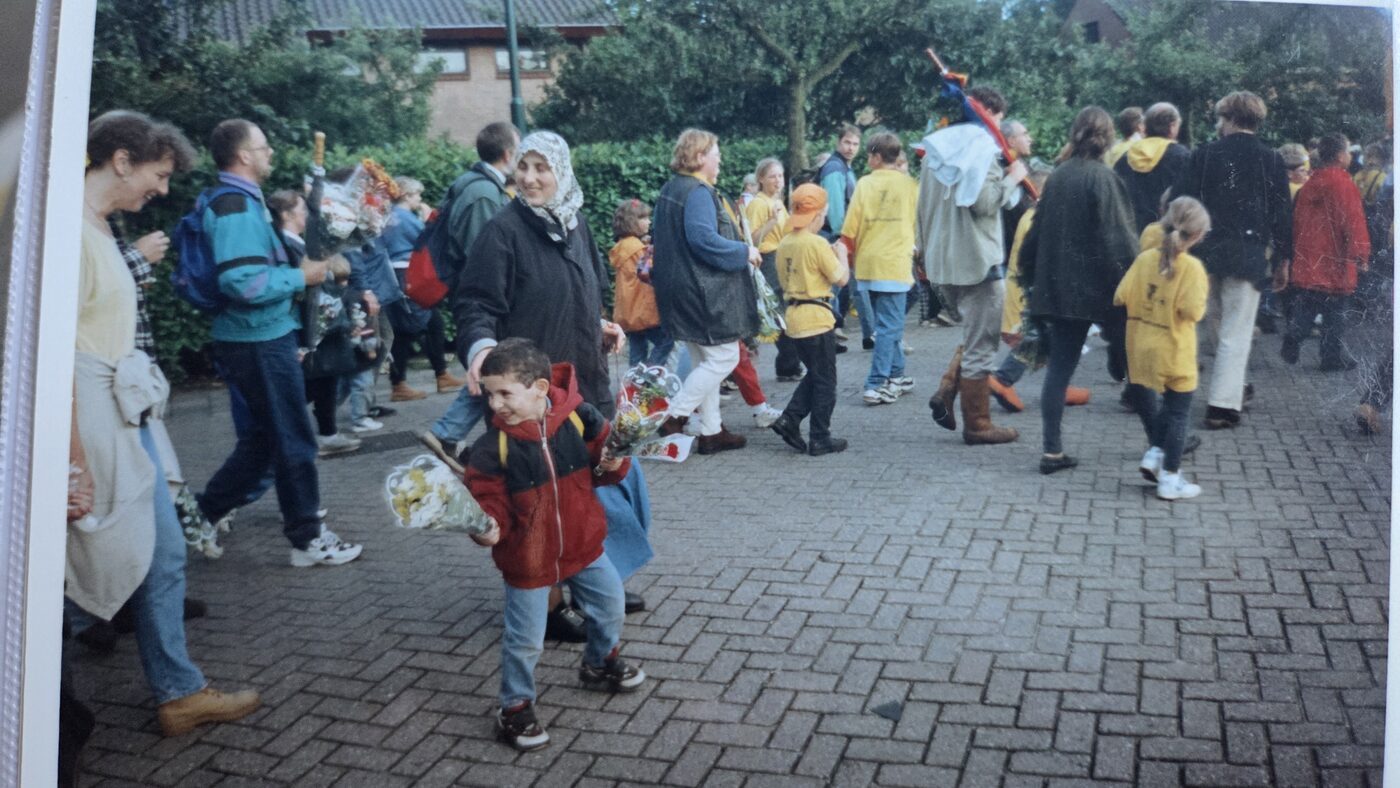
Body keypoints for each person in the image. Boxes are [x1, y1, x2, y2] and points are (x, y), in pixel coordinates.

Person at [73, 110, 260, 735]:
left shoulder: (96, 226)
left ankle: (176, 689)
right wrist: (74, 456)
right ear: (121, 159)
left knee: (157, 548)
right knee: (99, 556)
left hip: (121, 412)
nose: (162, 188)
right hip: (95, 418)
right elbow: (57, 358)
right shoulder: (71, 231)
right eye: (158, 174)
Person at [455, 129, 655, 628]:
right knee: (537, 497)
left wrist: (600, 325)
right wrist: (482, 350)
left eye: (541, 168)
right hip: (531, 393)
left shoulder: (574, 222)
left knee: (586, 486)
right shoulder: (502, 232)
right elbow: (476, 303)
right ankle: (547, 605)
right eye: (523, 167)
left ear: (561, 172)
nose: (529, 178)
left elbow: (583, 288)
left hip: (582, 381)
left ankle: (593, 581)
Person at [194, 118, 363, 567]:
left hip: (258, 336)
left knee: (265, 441)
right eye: (263, 147)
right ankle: (307, 538)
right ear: (243, 155)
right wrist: (299, 277)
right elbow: (241, 281)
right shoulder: (235, 205)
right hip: (258, 339)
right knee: (292, 438)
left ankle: (199, 515)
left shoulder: (242, 201)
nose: (270, 153)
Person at [464, 338, 644, 752]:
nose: (495, 405)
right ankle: (514, 706)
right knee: (525, 640)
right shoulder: (492, 447)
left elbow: (606, 465)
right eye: (489, 394)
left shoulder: (580, 418)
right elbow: (487, 502)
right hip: (528, 560)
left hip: (584, 546)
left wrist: (615, 462)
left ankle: (599, 663)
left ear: (540, 388)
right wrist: (487, 527)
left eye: (504, 393)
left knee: (611, 606)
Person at [1019, 106, 1139, 474]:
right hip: (1102, 290)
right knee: (1137, 366)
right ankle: (1165, 442)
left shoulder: (1058, 175)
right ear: (1108, 137)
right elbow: (1119, 239)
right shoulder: (1104, 178)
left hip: (1059, 289)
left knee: (1059, 369)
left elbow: (1036, 231)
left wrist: (1028, 273)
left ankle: (1052, 451)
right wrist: (1136, 280)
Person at [1175, 91, 1293, 430]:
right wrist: (1283, 258)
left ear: (1227, 117)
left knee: (1216, 324)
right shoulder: (1271, 159)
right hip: (1248, 253)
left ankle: (1233, 390)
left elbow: (1182, 201)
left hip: (1204, 252)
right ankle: (1223, 405)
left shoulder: (1204, 155)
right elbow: (1282, 213)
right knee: (1235, 331)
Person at [917, 86, 1026, 445]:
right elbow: (984, 203)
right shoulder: (982, 150)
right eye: (998, 119)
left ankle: (948, 388)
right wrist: (1013, 178)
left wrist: (923, 254)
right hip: (979, 261)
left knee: (973, 335)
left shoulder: (933, 153)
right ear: (987, 113)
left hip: (942, 261)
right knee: (982, 343)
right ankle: (978, 424)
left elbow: (921, 209)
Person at [651, 128, 763, 454]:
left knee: (704, 358)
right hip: (700, 291)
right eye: (716, 155)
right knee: (725, 356)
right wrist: (744, 251)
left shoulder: (671, 188)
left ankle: (712, 432)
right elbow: (703, 239)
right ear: (700, 157)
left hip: (676, 288)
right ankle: (675, 415)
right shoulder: (698, 192)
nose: (720, 161)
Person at [419, 121, 519, 473]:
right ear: (507, 153)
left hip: (471, 295)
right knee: (497, 366)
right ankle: (447, 434)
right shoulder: (483, 194)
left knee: (496, 367)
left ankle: (450, 435)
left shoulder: (474, 186)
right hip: (480, 299)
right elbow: (486, 256)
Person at [1113, 197, 1211, 500]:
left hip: (1141, 343)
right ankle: (1170, 477)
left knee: (1165, 407)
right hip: (1174, 348)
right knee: (1179, 412)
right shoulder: (1192, 268)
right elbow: (1192, 311)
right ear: (1198, 234)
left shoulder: (1144, 259)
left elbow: (1120, 296)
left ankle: (1155, 452)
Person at [985, 167, 1093, 413]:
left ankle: (1059, 385)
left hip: (1029, 290)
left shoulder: (1031, 216)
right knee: (1039, 339)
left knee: (1051, 340)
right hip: (1035, 294)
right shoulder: (1041, 220)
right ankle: (1004, 379)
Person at [267, 189, 361, 457]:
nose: (307, 215)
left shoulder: (295, 243)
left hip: (318, 324)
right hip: (310, 325)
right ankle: (290, 434)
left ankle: (326, 433)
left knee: (324, 379)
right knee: (313, 382)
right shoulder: (288, 246)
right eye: (302, 210)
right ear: (287, 214)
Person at [769, 184, 850, 455]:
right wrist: (842, 255)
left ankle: (789, 419)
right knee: (826, 382)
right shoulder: (816, 243)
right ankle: (820, 437)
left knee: (816, 374)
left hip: (794, 318)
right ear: (817, 215)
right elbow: (841, 278)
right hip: (816, 318)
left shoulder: (785, 243)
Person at [1281, 133, 1371, 371]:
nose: (1350, 156)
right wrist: (1360, 254)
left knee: (1310, 302)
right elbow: (1353, 221)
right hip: (1336, 256)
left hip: (1311, 254)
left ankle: (1294, 334)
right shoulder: (1344, 183)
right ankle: (1331, 357)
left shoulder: (1311, 183)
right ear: (1340, 156)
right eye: (1348, 151)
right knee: (1336, 311)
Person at [842, 131, 918, 405]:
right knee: (889, 327)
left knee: (886, 324)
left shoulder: (864, 183)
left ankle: (897, 374)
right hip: (895, 264)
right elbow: (917, 222)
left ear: (875, 157)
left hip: (867, 263)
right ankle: (876, 383)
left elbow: (850, 228)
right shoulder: (910, 185)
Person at [383, 176, 466, 399]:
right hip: (408, 274)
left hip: (395, 275)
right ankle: (423, 379)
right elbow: (427, 238)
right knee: (418, 327)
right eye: (417, 194)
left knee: (421, 326)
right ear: (406, 195)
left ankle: (416, 379)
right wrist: (427, 216)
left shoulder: (389, 215)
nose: (419, 198)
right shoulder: (404, 217)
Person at [744, 157, 803, 380]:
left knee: (783, 311)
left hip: (782, 258)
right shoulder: (759, 204)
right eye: (772, 177)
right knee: (779, 313)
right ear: (761, 179)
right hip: (768, 259)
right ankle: (789, 364)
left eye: (780, 176)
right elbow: (752, 239)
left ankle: (788, 364)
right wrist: (771, 222)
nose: (778, 181)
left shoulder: (776, 201)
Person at [820, 124, 869, 349]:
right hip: (837, 236)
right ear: (838, 142)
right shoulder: (834, 168)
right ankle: (828, 334)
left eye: (855, 144)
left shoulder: (845, 167)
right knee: (834, 287)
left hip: (844, 236)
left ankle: (866, 333)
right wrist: (843, 237)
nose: (851, 148)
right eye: (847, 142)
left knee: (847, 287)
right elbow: (836, 209)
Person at [609, 199, 673, 367]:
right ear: (631, 222)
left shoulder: (623, 246)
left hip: (629, 312)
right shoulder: (638, 249)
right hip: (644, 311)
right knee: (667, 340)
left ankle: (634, 381)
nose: (649, 221)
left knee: (637, 352)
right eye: (643, 218)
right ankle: (648, 376)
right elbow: (652, 272)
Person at [1114, 102, 1191, 232]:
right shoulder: (1183, 157)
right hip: (1168, 233)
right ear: (1172, 126)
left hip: (1132, 232)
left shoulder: (1126, 158)